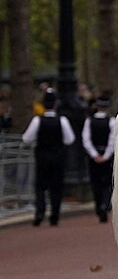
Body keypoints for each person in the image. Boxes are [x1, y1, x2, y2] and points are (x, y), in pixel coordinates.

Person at [22, 89, 75, 226]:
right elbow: (70, 139)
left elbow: (26, 138)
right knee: (56, 186)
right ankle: (55, 215)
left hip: (42, 156)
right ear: (56, 105)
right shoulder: (62, 120)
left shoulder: (37, 121)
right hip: (57, 156)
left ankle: (40, 211)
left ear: (43, 105)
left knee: (40, 186)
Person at [83, 95, 116, 223]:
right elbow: (113, 140)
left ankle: (98, 206)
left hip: (94, 157)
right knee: (107, 183)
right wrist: (106, 155)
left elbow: (86, 140)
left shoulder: (89, 121)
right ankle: (105, 204)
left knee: (95, 182)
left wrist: (94, 154)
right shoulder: (111, 121)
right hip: (107, 156)